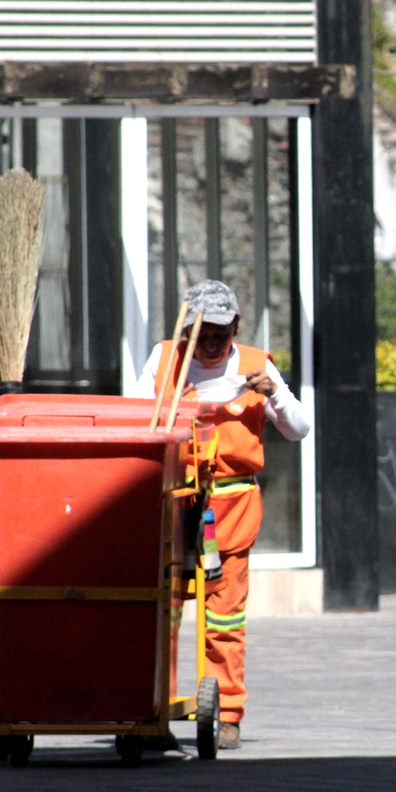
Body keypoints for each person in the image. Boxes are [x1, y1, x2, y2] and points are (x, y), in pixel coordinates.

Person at [129, 279, 310, 750]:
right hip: (171, 503)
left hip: (229, 507)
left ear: (236, 328)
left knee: (225, 617)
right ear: (185, 330)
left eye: (220, 335)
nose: (210, 345)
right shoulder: (164, 359)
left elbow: (299, 428)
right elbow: (132, 420)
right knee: (162, 611)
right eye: (201, 334)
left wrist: (274, 394)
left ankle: (227, 712)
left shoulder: (256, 366)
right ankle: (154, 712)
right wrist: (171, 403)